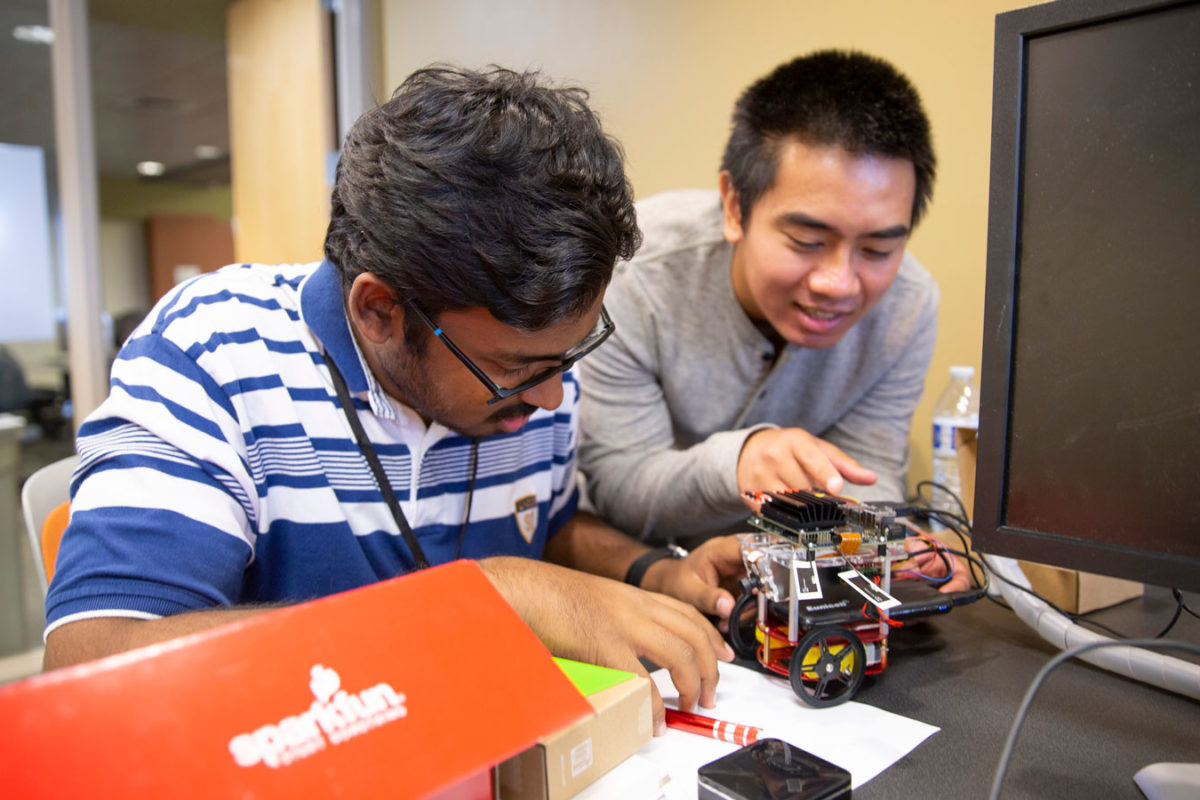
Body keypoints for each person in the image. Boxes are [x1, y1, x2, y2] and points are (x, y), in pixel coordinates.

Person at [42, 65, 744, 730]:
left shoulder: (535, 364)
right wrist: (477, 603)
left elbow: (547, 525)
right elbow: (95, 668)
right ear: (379, 310)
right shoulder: (213, 351)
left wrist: (655, 570)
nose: (554, 397)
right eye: (517, 368)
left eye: (569, 356)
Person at [578, 50, 965, 588]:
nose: (840, 282)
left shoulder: (909, 306)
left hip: (786, 593)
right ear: (735, 207)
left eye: (877, 250)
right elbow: (618, 488)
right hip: (640, 582)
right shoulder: (631, 272)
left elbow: (869, 477)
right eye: (807, 241)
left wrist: (895, 548)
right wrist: (738, 462)